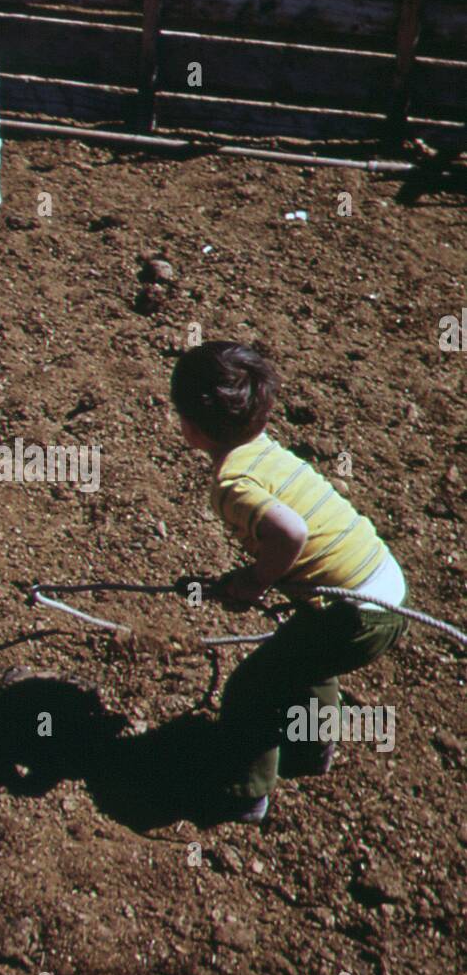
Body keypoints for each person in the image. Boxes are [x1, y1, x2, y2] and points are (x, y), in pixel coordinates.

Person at [170, 341, 408, 824]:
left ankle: (245, 795)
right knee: (307, 667)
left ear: (191, 426)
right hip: (386, 590)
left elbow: (290, 532)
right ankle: (310, 750)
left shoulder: (231, 485)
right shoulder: (264, 450)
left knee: (253, 689)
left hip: (354, 615)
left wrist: (256, 582)